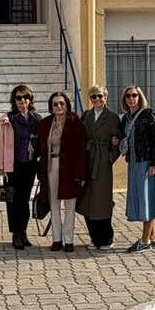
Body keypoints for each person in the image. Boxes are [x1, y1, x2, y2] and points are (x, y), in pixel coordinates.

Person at [119, 85, 155, 253]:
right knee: (142, 199)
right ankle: (152, 238)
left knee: (149, 200)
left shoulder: (147, 114)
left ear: (140, 97)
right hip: (133, 163)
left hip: (146, 163)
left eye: (134, 95)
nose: (131, 98)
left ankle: (145, 240)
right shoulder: (126, 118)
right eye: (128, 96)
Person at [0, 85, 42, 250]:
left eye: (25, 97)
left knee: (24, 200)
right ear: (14, 101)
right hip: (12, 166)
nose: (23, 101)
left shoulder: (36, 119)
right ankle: (16, 233)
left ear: (30, 99)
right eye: (19, 98)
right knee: (13, 200)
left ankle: (23, 232)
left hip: (29, 165)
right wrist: (0, 166)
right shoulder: (7, 119)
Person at [37, 91, 86, 252]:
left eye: (62, 103)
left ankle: (69, 240)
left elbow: (81, 150)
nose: (59, 106)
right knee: (54, 204)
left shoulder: (75, 123)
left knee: (70, 205)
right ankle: (56, 239)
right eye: (55, 104)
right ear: (51, 108)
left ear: (67, 106)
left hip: (69, 168)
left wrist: (79, 172)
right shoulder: (45, 124)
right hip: (51, 166)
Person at [76, 85, 122, 251]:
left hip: (102, 162)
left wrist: (110, 157)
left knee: (101, 201)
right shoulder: (86, 116)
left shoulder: (113, 117)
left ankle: (106, 238)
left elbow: (118, 141)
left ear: (105, 97)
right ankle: (94, 237)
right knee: (87, 201)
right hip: (87, 160)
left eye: (100, 96)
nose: (97, 100)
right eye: (94, 97)